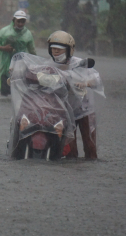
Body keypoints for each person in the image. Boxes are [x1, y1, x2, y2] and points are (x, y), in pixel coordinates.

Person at [47, 31, 103, 160]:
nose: (55, 52)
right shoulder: (48, 66)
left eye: (59, 49)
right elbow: (35, 76)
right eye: (53, 49)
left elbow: (97, 80)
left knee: (90, 147)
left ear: (69, 50)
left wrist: (86, 83)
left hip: (85, 111)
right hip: (65, 112)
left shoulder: (80, 64)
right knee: (69, 151)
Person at [0, 10, 36, 96]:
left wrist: (34, 65)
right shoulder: (4, 32)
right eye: (18, 21)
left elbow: (32, 50)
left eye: (22, 21)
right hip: (6, 65)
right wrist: (4, 48)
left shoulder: (27, 34)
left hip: (21, 64)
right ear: (13, 20)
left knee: (19, 91)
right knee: (4, 92)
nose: (20, 24)